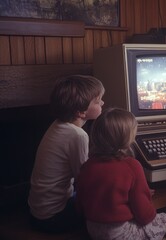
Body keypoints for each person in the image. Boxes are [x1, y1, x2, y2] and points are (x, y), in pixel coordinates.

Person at [75, 108, 166, 240]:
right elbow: (144, 215)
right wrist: (147, 200)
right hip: (120, 234)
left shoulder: (87, 165)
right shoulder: (132, 166)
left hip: (93, 229)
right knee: (165, 219)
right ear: (127, 138)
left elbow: (81, 202)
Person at [28, 75, 105, 233]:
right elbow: (84, 178)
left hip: (38, 212)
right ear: (80, 112)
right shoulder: (77, 135)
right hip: (54, 217)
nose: (102, 103)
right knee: (109, 207)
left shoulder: (58, 124)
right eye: (98, 101)